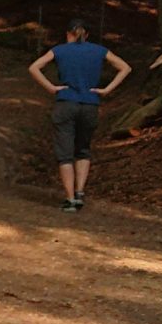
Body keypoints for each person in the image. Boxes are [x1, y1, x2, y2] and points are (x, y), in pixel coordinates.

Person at [27, 20, 131, 211]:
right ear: (87, 35)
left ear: (68, 34)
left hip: (66, 103)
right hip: (90, 104)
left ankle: (69, 199)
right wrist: (107, 89)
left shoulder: (60, 50)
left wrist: (51, 88)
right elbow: (125, 67)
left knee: (64, 152)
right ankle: (80, 192)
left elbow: (34, 67)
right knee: (83, 149)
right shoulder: (99, 50)